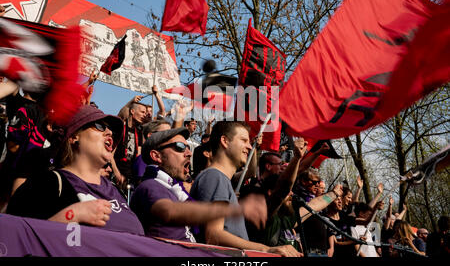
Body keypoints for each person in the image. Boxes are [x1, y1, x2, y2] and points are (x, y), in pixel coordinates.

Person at [7, 105, 144, 235]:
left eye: (111, 131)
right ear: (73, 137)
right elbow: (16, 236)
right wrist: (73, 214)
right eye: (99, 126)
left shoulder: (116, 190)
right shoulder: (48, 183)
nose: (109, 133)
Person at [130, 127, 268, 243]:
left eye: (188, 147)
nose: (189, 153)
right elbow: (169, 211)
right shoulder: (150, 185)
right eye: (180, 147)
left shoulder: (174, 191)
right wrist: (237, 209)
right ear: (156, 156)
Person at [190, 121, 301, 257]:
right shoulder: (214, 176)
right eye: (244, 140)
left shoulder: (220, 179)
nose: (249, 146)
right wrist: (266, 249)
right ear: (225, 141)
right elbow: (213, 235)